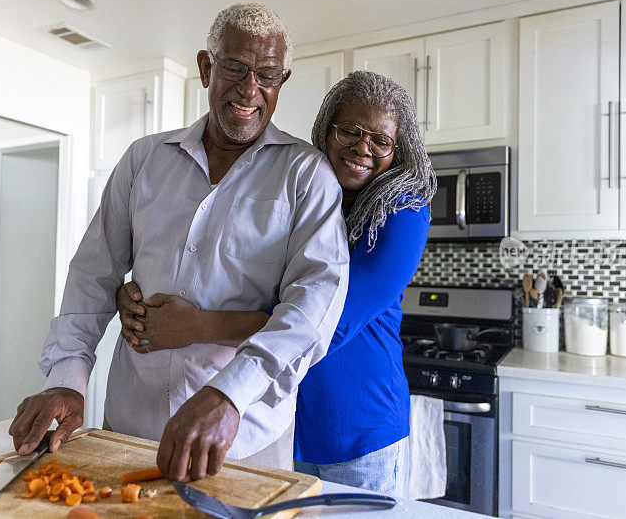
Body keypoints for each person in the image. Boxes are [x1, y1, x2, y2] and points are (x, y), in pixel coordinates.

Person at [9, 3, 349, 482]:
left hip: (244, 437)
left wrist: (229, 394)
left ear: (282, 81)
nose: (251, 89)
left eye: (268, 75)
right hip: (130, 429)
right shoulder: (144, 159)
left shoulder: (306, 175)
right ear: (206, 68)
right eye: (235, 68)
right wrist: (68, 382)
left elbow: (313, 307)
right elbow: (93, 273)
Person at [117, 71, 436, 495]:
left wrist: (192, 326)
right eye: (350, 132)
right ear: (327, 129)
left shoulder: (403, 210)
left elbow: (330, 322)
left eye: (381, 141)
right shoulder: (310, 190)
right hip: (282, 416)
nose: (363, 148)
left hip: (359, 428)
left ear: (398, 151)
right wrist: (136, 291)